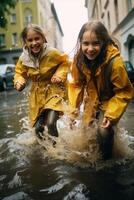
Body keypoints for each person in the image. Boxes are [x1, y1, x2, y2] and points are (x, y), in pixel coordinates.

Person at [68, 20, 134, 160]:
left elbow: (124, 91)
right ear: (81, 43)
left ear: (103, 42)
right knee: (87, 132)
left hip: (110, 101)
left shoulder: (115, 62)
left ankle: (107, 162)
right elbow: (76, 86)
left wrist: (111, 115)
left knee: (103, 131)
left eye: (95, 43)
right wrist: (73, 112)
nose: (90, 49)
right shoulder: (79, 60)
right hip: (91, 101)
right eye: (86, 44)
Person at [14, 23, 70, 139]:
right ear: (25, 42)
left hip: (54, 90)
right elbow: (19, 72)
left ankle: (56, 151)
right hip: (37, 96)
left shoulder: (52, 53)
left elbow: (65, 63)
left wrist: (59, 75)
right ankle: (44, 151)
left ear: (43, 38)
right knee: (38, 128)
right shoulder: (23, 58)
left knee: (50, 123)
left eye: (37, 38)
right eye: (30, 40)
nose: (34, 43)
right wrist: (19, 82)